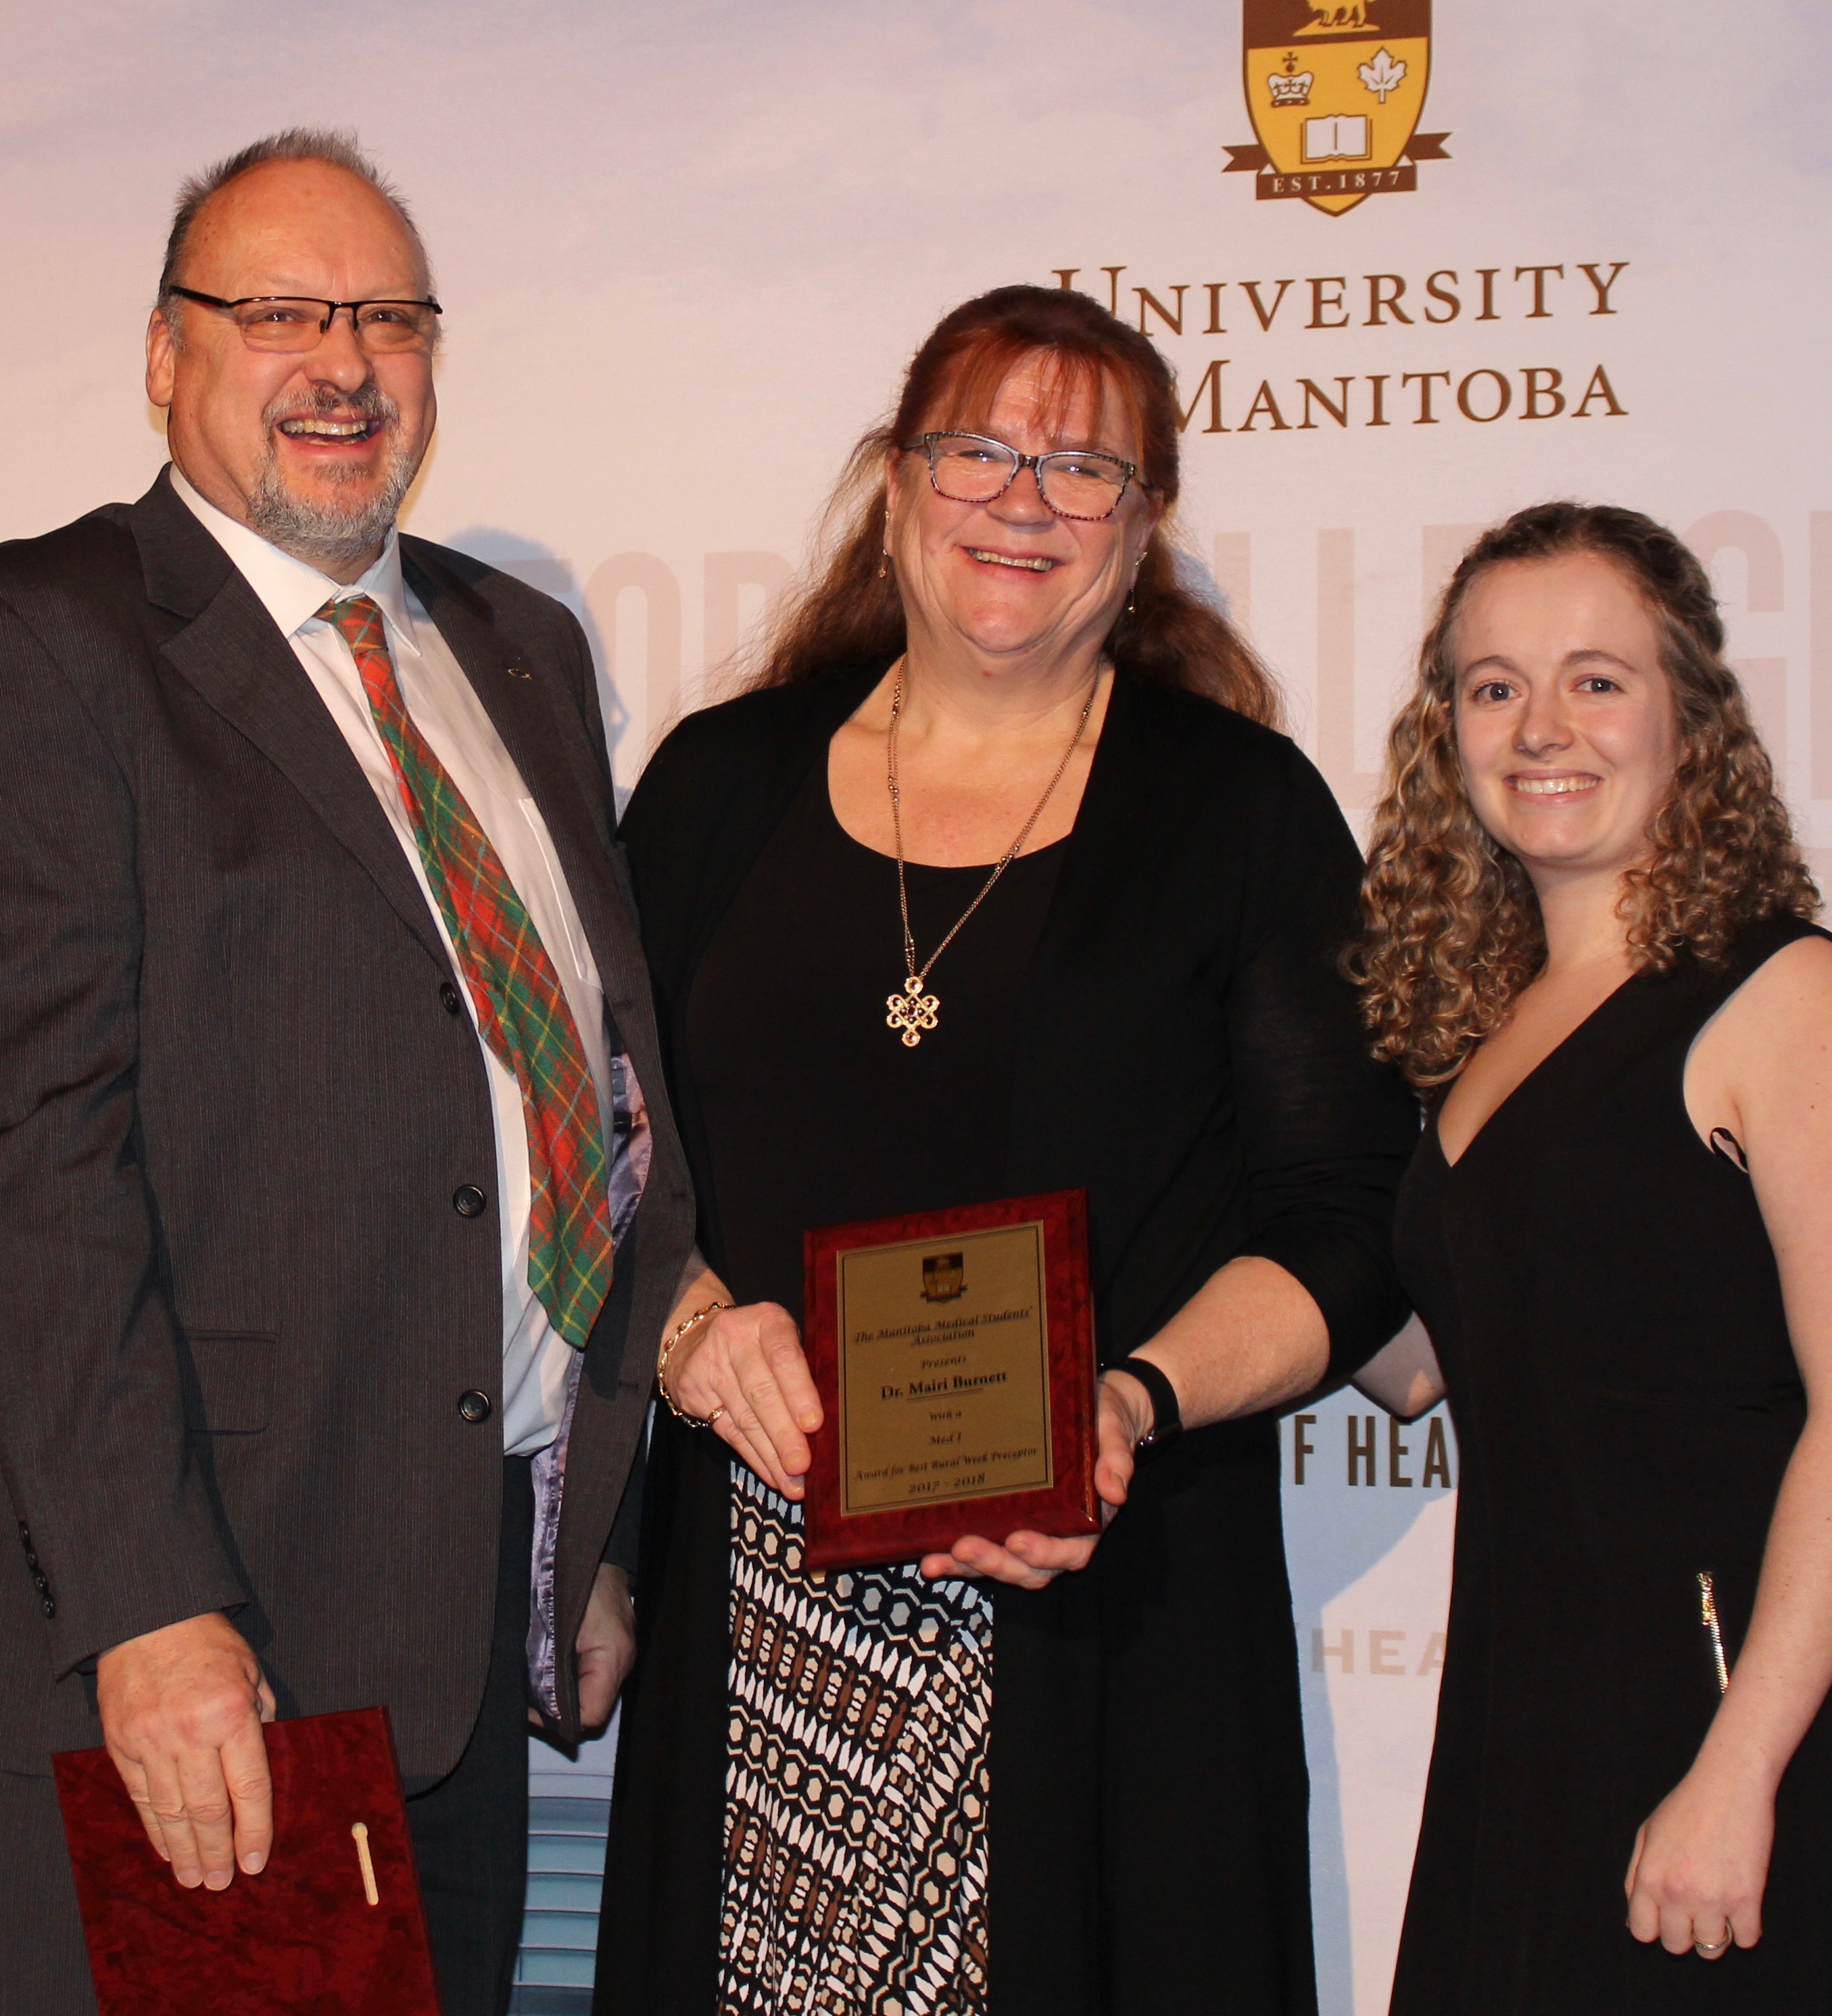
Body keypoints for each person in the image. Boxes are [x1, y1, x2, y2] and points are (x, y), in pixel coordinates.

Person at [0, 128, 690, 2016]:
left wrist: (579, 1538)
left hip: (459, 1655)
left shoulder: (517, 648)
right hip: (191, 1657)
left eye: (389, 317)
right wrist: (152, 1607)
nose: (345, 362)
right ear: (165, 354)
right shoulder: (32, 641)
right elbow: (39, 1172)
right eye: (281, 314)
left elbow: (594, 1101)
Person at [594, 285, 1418, 2015]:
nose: (1022, 500)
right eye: (977, 449)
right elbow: (592, 1152)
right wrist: (687, 1334)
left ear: (1143, 526)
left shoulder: (1237, 810)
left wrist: (1130, 1403)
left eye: (1083, 467)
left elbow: (1345, 1223)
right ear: (897, 485)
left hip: (1111, 1615)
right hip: (764, 1629)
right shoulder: (716, 790)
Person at [1348, 501, 1832, 2011]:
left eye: (1598, 678)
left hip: (1750, 1715)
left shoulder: (1787, 996)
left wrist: (1738, 1768)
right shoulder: (1480, 1036)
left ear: (1689, 715)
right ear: (1447, 732)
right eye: (1494, 685)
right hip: (1537, 1712)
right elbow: (1421, 1363)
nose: (1540, 726)